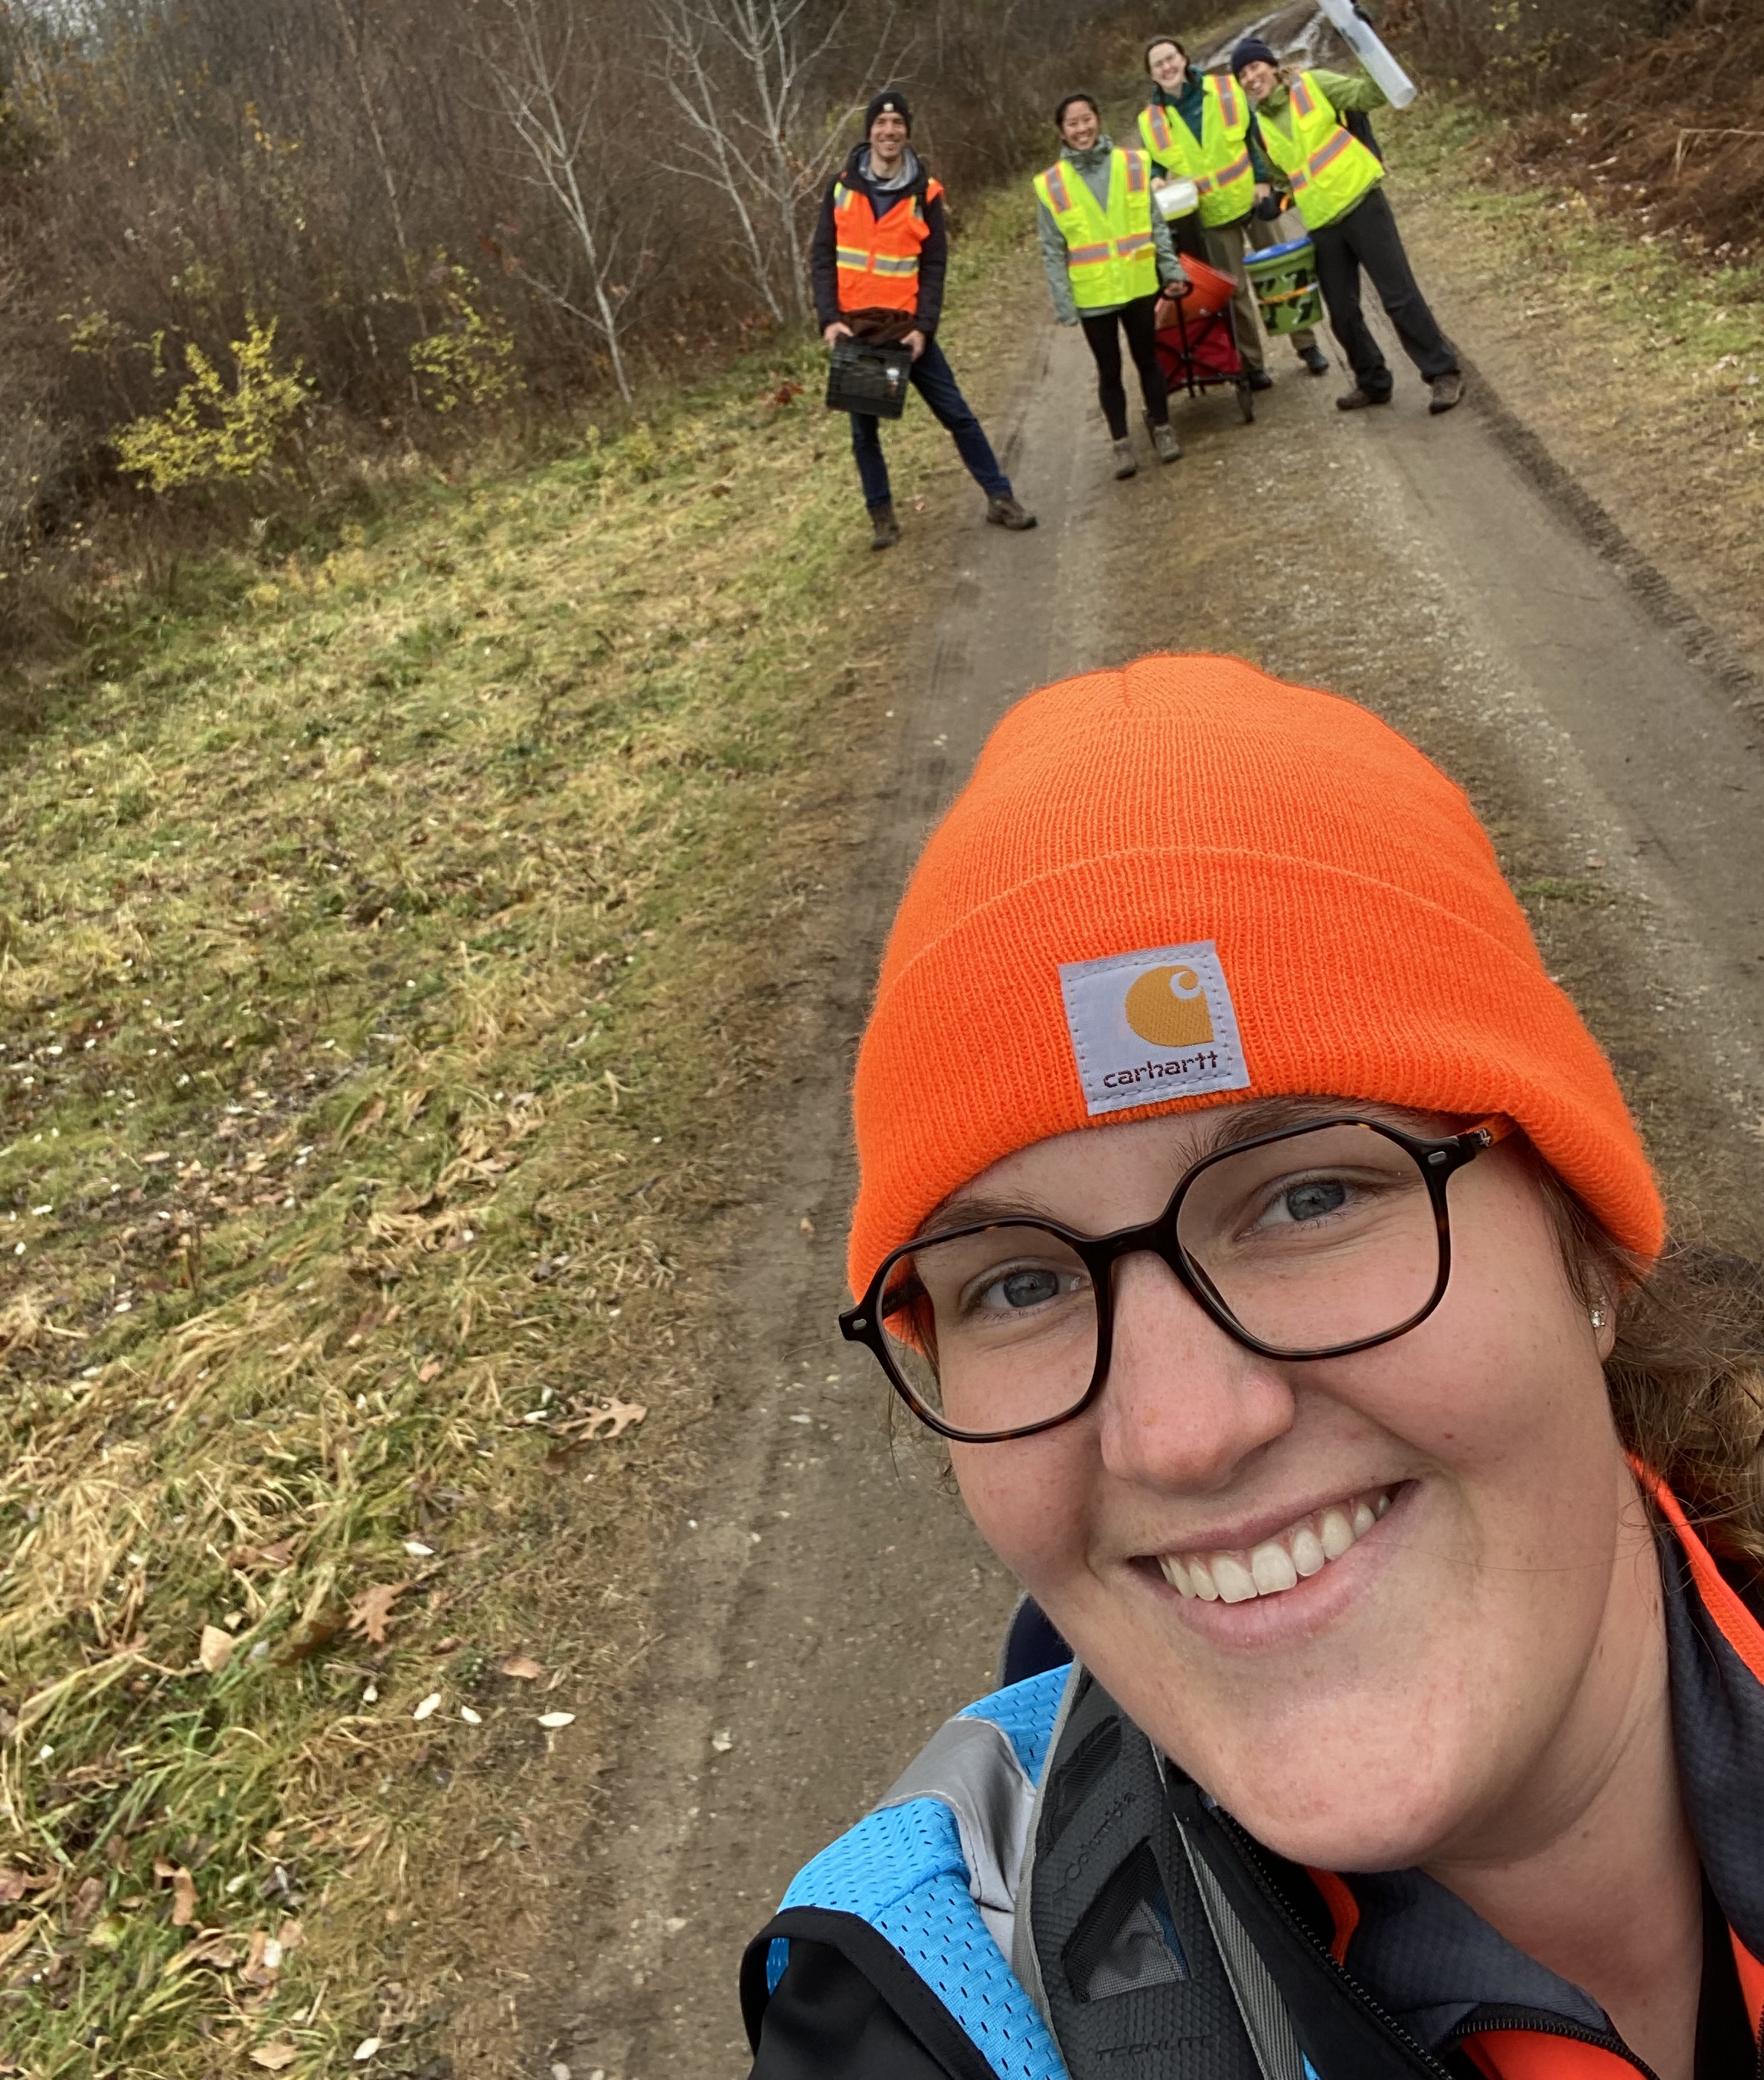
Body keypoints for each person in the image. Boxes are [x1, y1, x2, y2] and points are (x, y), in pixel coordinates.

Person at [742, 648, 1764, 2080]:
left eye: (1307, 1198)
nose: (1180, 1430)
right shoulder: (924, 2011)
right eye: (1020, 1284)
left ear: (1583, 1247)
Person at [812, 87, 1034, 553]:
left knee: (958, 415)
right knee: (864, 433)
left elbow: (934, 266)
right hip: (858, 330)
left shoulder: (926, 193)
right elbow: (822, 257)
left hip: (906, 330)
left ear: (908, 133)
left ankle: (1000, 497)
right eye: (881, 124)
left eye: (898, 124)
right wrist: (830, 320)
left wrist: (924, 328)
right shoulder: (840, 187)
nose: (889, 131)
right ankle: (882, 517)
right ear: (869, 131)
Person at [1232, 36, 1464, 417]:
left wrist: (1366, 44)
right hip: (1323, 223)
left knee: (1398, 296)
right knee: (1342, 312)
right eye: (1242, 74)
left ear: (1271, 65)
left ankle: (1443, 372)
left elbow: (1370, 95)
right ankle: (1372, 381)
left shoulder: (1314, 84)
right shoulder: (1259, 129)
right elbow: (1288, 179)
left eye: (1254, 67)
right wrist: (1278, 203)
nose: (1250, 78)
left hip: (1362, 202)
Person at [1139, 34, 1328, 388]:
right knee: (1234, 292)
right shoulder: (1150, 120)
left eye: (1171, 58)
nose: (1167, 67)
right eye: (1158, 64)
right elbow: (1153, 162)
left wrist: (1263, 179)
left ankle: (1307, 346)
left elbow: (1253, 135)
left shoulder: (1225, 88)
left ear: (1184, 58)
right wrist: (1155, 179)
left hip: (1252, 199)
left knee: (1281, 273)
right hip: (1210, 213)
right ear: (1151, 75)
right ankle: (1252, 366)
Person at [1034, 93, 1188, 482]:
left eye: (1086, 119)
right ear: (1061, 132)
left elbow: (1155, 223)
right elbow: (1052, 249)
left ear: (1098, 120)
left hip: (1138, 283)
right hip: (1094, 295)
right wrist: (1063, 301)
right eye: (1072, 124)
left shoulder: (1132, 163)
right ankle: (1121, 442)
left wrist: (1170, 269)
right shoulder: (1051, 184)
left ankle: (1163, 428)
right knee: (1109, 370)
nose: (1081, 129)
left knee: (1148, 359)